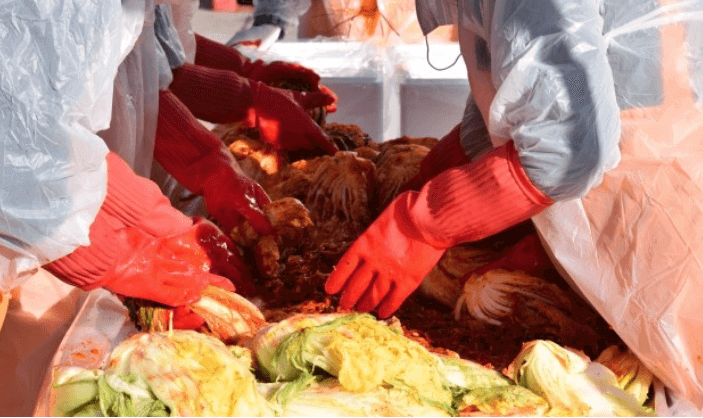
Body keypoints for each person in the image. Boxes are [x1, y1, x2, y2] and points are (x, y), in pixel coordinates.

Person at [325, 0, 703, 409]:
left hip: (665, 213)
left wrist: (427, 222)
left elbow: (568, 148)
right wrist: (450, 162)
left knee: (679, 369)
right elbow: (521, 78)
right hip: (638, 192)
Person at [0, 0, 336, 414]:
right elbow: (15, 156)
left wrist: (177, 202)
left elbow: (136, 79)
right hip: (29, 237)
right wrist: (123, 258)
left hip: (61, 219)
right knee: (24, 374)